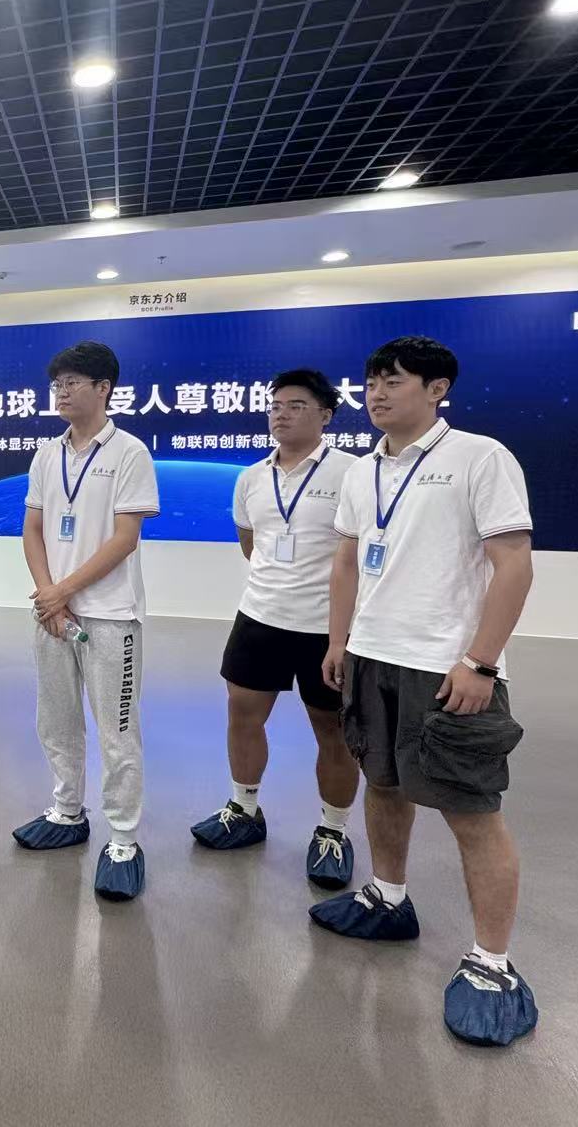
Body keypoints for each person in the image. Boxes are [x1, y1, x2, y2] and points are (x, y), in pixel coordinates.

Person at [310, 336, 538, 1048]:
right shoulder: (362, 471)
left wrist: (481, 662)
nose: (377, 393)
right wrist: (339, 640)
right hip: (371, 657)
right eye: (371, 381)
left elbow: (514, 564)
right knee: (383, 784)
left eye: (395, 381)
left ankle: (492, 964)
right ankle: (387, 897)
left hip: (446, 667)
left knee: (472, 811)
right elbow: (347, 562)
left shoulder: (480, 457)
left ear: (437, 389)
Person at [191, 370, 361, 888]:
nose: (281, 414)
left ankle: (333, 831)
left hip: (326, 629)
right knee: (242, 716)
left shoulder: (353, 474)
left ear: (325, 415)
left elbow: (360, 556)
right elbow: (252, 544)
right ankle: (244, 810)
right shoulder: (251, 478)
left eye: (296, 405)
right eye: (275, 406)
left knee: (333, 731)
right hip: (259, 618)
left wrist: (340, 633)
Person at [15, 341, 160, 901]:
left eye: (73, 382)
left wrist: (63, 592)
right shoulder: (46, 454)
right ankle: (67, 810)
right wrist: (49, 596)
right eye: (57, 384)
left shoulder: (130, 452)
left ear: (104, 389)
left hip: (109, 617)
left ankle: (123, 839)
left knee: (117, 731)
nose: (62, 392)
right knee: (55, 720)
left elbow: (125, 539)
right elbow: (33, 529)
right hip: (53, 615)